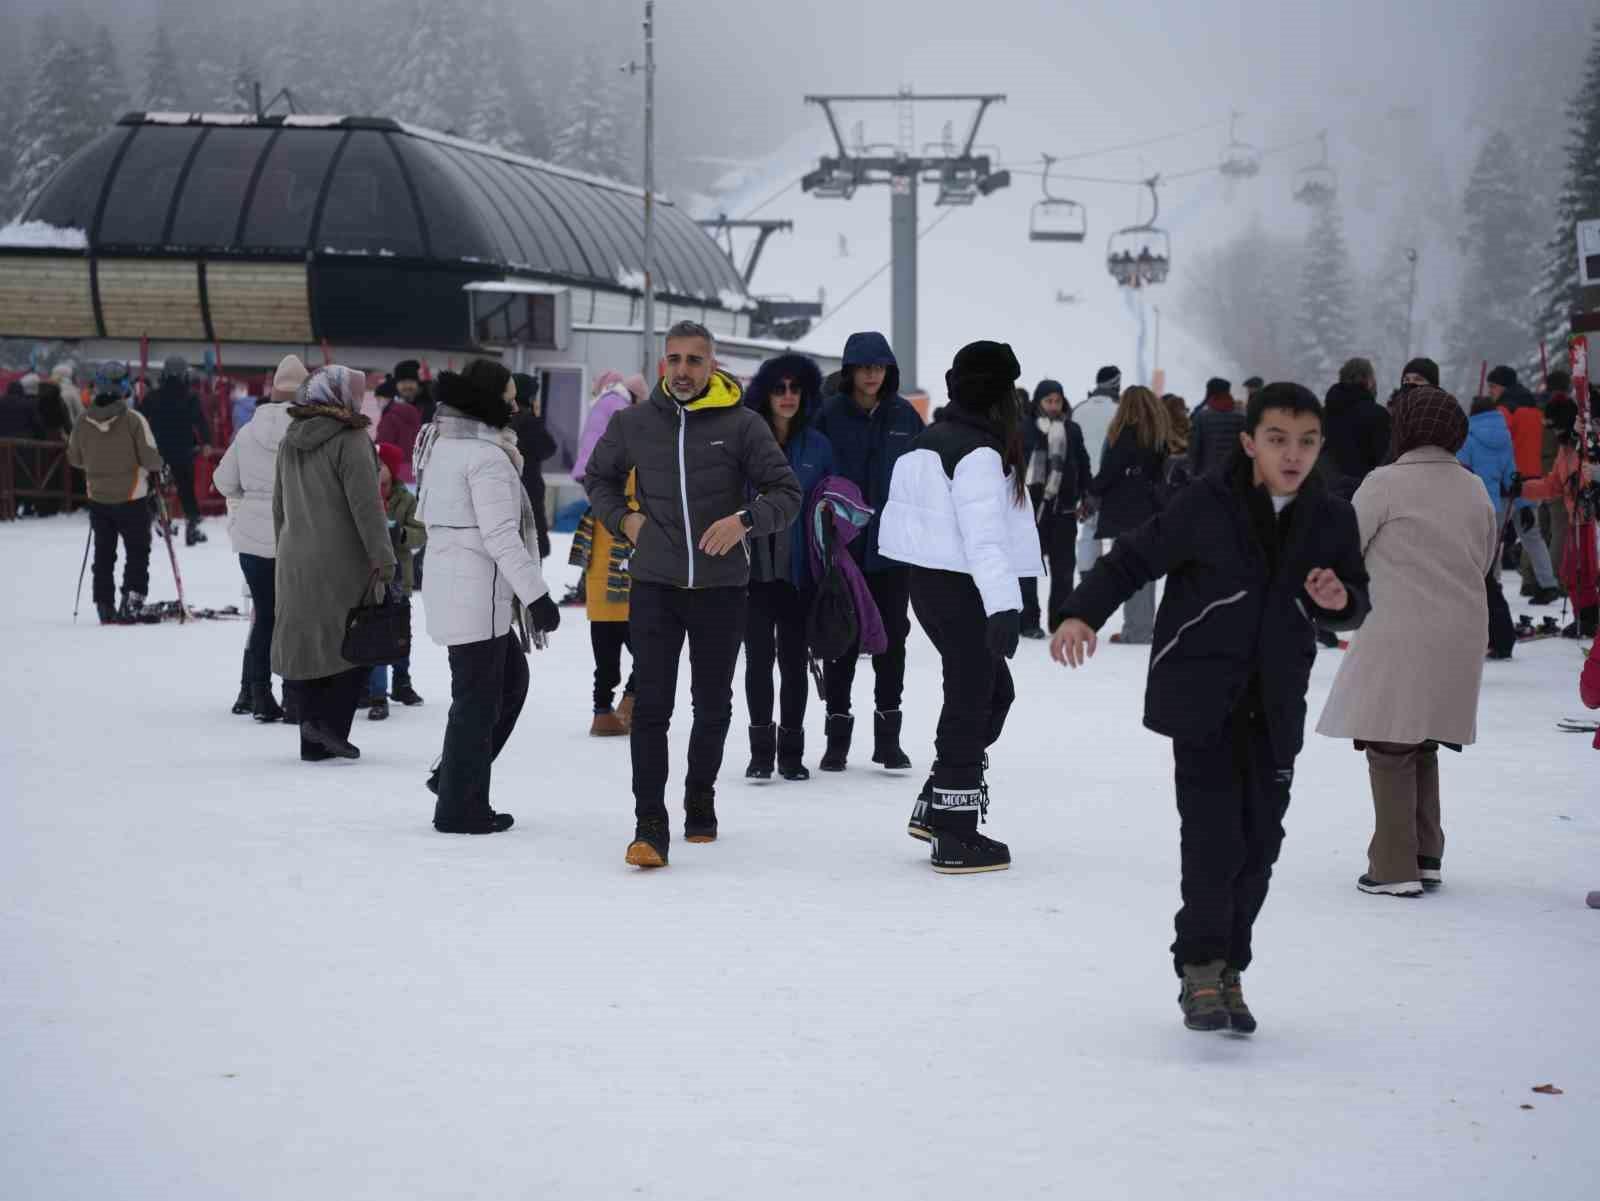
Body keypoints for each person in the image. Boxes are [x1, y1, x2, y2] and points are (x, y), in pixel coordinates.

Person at [1051, 382, 1370, 1033]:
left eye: (1306, 441)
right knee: (1212, 840)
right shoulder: (1206, 504)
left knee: (1260, 845)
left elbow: (1355, 596)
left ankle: (1231, 967)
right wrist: (1081, 613)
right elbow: (1132, 560)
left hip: (1277, 701)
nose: (1292, 454)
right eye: (1278, 438)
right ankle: (1201, 969)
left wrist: (1339, 598)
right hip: (1201, 698)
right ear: (1251, 440)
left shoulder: (1332, 518)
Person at [583, 321, 801, 867]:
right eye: (673, 360)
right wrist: (626, 520)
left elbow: (787, 492)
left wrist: (745, 521)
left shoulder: (744, 424)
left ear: (712, 365)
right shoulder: (634, 422)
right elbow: (598, 478)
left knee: (712, 704)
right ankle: (649, 822)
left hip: (721, 589)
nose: (682, 370)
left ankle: (699, 793)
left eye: (694, 361)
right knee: (652, 705)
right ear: (663, 365)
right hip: (654, 585)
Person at [1318, 387, 1499, 897]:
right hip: (1460, 629)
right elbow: (1485, 559)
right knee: (1421, 739)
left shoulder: (1385, 482)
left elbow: (1345, 547)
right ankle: (1426, 851)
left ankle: (1393, 866)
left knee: (1389, 742)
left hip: (1400, 627)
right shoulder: (1474, 488)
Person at [880, 341, 1041, 873]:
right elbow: (984, 540)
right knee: (974, 695)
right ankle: (954, 830)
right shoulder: (977, 453)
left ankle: (939, 799)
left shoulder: (931, 440)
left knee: (992, 690)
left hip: (930, 584)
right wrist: (1003, 609)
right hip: (963, 587)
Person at [414, 360, 560, 834]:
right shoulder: (487, 458)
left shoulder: (442, 443)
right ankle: (460, 807)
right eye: (509, 396)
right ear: (488, 398)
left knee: (505, 685)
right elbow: (501, 536)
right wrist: (538, 598)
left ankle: (454, 778)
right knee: (477, 702)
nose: (516, 406)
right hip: (477, 594)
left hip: (456, 585)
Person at [811, 331, 924, 772]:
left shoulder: (904, 417)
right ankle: (837, 739)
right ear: (850, 370)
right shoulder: (829, 416)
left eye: (879, 367)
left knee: (892, 640)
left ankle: (887, 740)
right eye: (864, 366)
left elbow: (923, 476)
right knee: (839, 638)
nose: (873, 374)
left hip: (893, 551)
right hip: (843, 550)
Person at [272, 366, 397, 763]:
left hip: (295, 554)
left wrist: (286, 547)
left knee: (311, 644)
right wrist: (384, 558)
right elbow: (367, 508)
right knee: (358, 643)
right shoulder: (352, 439)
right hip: (343, 558)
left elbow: (278, 505)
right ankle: (329, 728)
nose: (361, 400)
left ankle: (313, 739)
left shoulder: (290, 440)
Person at [742, 353, 834, 781]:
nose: (787, 396)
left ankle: (792, 754)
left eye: (795, 388)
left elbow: (829, 509)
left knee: (795, 663)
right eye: (778, 388)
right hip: (752, 572)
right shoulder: (746, 439)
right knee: (758, 661)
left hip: (800, 574)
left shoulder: (819, 446)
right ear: (765, 392)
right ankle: (760, 753)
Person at [214, 353, 306, 720]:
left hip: (252, 539)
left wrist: (248, 500)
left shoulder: (248, 431)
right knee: (293, 618)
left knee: (264, 617)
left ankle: (254, 693)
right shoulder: (306, 432)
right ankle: (293, 693)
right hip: (295, 534)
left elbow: (223, 482)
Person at [571, 371, 646, 736]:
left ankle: (603, 709)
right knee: (649, 648)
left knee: (606, 654)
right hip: (637, 574)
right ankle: (629, 702)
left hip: (602, 582)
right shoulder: (640, 471)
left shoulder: (597, 488)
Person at [66, 364, 165, 624]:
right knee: (137, 551)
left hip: (98, 497)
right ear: (125, 389)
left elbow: (74, 458)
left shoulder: (82, 421)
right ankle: (132, 599)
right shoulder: (134, 420)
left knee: (104, 552)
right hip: (132, 497)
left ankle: (103, 603)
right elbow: (152, 460)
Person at [1087, 386, 1170, 645]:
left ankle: (1136, 629)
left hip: (1125, 509)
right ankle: (1144, 624)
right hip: (1151, 507)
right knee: (1145, 569)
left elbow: (1110, 472)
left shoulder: (1123, 433)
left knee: (1129, 568)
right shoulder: (1158, 435)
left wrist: (1091, 489)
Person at [1514, 399, 1599, 639]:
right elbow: (1553, 484)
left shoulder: (1587, 443)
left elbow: (1591, 473)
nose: (1553, 432)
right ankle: (1583, 615)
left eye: (1555, 426)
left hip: (1589, 517)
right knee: (1571, 570)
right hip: (1575, 517)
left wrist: (1585, 482)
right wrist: (1523, 488)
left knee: (1585, 571)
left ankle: (1590, 617)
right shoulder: (1565, 449)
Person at [362, 441, 427, 721]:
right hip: (370, 576)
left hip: (399, 576)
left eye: (382, 466)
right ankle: (375, 692)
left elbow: (421, 533)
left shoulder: (405, 499)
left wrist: (401, 535)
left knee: (399, 632)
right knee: (374, 633)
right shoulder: (361, 493)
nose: (378, 472)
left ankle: (401, 681)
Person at [1489, 364, 1560, 603]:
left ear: (1503, 387)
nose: (1491, 391)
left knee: (1493, 535)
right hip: (1531, 480)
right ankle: (1548, 584)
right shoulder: (1534, 407)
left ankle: (1491, 583)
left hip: (1507, 481)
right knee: (1532, 535)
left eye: (1493, 387)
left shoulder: (1504, 409)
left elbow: (1497, 442)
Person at [1027, 381, 1092, 631]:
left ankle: (1060, 620)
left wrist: (1087, 494)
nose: (1054, 406)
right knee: (1028, 569)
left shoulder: (1072, 430)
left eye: (1057, 401)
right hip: (1032, 511)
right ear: (1039, 402)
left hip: (1064, 510)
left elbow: (1083, 465)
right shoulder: (1026, 429)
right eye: (1049, 401)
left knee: (1064, 570)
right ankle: (1029, 620)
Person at [140, 356, 212, 545]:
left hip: (157, 450)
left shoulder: (152, 396)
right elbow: (201, 422)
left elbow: (138, 420)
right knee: (186, 488)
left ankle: (157, 518)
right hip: (183, 450)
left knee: (153, 486)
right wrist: (206, 442)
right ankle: (192, 526)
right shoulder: (191, 397)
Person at [1073, 366, 1121, 576]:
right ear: (1116, 384)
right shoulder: (1120, 411)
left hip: (1085, 482)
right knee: (1119, 531)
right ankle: (1117, 575)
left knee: (1089, 531)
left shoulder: (1079, 409)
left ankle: (1087, 575)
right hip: (1114, 482)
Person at [1320, 357, 1392, 497]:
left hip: (1325, 492)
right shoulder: (1378, 415)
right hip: (1364, 494)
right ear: (1369, 381)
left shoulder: (1323, 414)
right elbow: (1384, 461)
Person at [509, 372, 557, 560]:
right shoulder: (529, 422)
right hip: (528, 488)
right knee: (532, 548)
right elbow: (549, 447)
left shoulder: (500, 420)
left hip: (503, 491)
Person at [377, 360, 424, 486]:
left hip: (422, 477)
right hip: (400, 478)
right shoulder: (390, 414)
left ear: (417, 384)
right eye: (403, 382)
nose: (407, 386)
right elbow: (384, 445)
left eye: (411, 382)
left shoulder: (428, 409)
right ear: (396, 385)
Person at [1187, 377, 1244, 480]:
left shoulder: (1201, 416)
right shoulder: (1241, 416)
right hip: (1234, 473)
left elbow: (1195, 447)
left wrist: (1192, 472)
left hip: (1208, 474)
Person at [1161, 393, 1194, 497]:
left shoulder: (1190, 427)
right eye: (1181, 409)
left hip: (1175, 483)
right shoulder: (1164, 430)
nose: (1184, 412)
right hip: (1180, 483)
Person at [50, 362, 84, 428]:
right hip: (70, 429)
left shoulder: (48, 389)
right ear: (69, 375)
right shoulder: (71, 391)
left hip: (53, 431)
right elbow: (80, 413)